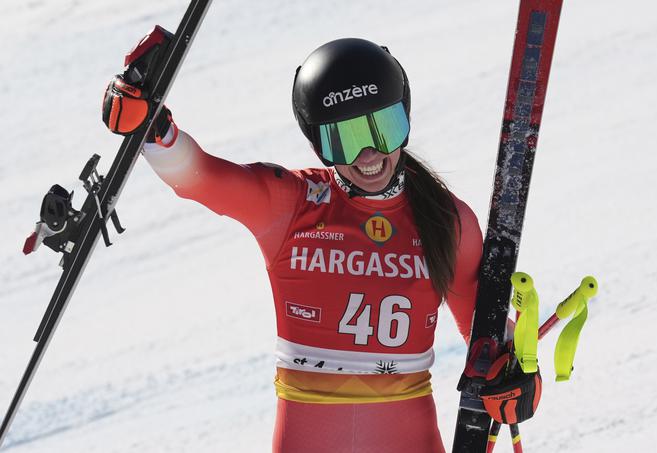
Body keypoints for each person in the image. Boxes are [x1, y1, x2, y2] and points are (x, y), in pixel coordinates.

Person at [104, 37, 484, 453]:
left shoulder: (448, 222)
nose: (368, 154)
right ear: (317, 143)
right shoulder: (294, 204)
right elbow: (202, 177)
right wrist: (155, 131)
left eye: (383, 128)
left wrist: (517, 377)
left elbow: (489, 332)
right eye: (345, 139)